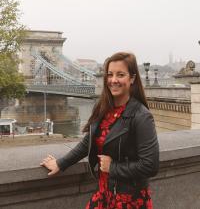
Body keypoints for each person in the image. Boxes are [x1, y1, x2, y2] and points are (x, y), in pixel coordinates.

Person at [40, 52, 159, 209]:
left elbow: (150, 165)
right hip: (104, 194)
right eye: (110, 74)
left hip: (129, 201)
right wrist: (61, 164)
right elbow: (89, 142)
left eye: (120, 74)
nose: (113, 80)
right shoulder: (103, 107)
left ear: (132, 79)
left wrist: (113, 167)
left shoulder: (141, 116)